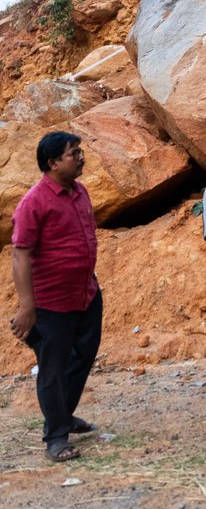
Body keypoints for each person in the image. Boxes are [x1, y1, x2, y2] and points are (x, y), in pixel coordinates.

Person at [10, 132, 103, 463]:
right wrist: (26, 307)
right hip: (51, 303)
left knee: (84, 355)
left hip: (86, 294)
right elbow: (20, 255)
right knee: (52, 368)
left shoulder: (80, 192)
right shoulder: (33, 203)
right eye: (73, 153)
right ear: (52, 163)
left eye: (79, 151)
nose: (80, 157)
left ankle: (63, 415)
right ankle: (56, 436)